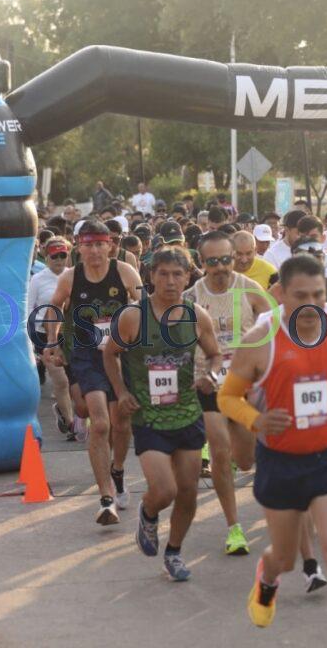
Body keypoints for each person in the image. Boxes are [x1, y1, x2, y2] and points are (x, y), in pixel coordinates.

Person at [219, 255, 327, 648]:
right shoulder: (260, 338)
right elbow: (228, 397)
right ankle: (268, 576)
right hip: (281, 461)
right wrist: (256, 421)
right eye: (300, 296)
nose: (311, 304)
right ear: (280, 295)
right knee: (287, 557)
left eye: (318, 294)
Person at [103, 247, 222, 581]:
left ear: (188, 277)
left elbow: (215, 355)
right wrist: (122, 392)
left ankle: (174, 552)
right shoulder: (133, 317)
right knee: (165, 489)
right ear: (151, 276)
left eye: (178, 274)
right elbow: (109, 354)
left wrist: (211, 376)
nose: (170, 281)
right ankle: (148, 512)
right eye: (164, 274)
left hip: (186, 412)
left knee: (187, 490)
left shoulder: (196, 315)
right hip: (149, 417)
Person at [43, 220, 144, 525]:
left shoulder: (124, 271)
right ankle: (106, 497)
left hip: (121, 354)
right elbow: (55, 307)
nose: (95, 251)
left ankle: (118, 470)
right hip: (86, 354)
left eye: (100, 244)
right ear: (79, 247)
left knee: (121, 423)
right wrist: (53, 343)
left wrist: (139, 332)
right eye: (88, 245)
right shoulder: (71, 277)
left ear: (110, 245)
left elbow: (145, 304)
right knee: (99, 423)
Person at [182, 231, 271, 556]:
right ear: (201, 262)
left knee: (246, 461)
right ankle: (234, 528)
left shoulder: (250, 290)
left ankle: (240, 461)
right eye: (213, 261)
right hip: (208, 383)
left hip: (245, 383)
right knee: (219, 450)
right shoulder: (191, 297)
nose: (220, 267)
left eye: (226, 260)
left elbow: (278, 325)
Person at [28, 237, 74, 436]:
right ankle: (72, 425)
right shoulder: (37, 279)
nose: (59, 260)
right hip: (44, 335)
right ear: (46, 257)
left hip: (72, 335)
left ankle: (66, 413)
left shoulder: (74, 276)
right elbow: (28, 309)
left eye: (63, 255)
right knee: (61, 381)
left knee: (76, 381)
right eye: (54, 256)